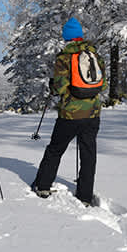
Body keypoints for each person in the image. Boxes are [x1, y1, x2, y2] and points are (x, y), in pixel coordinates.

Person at [31, 17, 106, 206]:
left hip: (70, 115)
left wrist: (53, 85)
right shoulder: (94, 54)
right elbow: (101, 84)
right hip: (93, 113)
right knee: (88, 154)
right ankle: (85, 196)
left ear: (67, 37)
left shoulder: (64, 57)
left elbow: (60, 88)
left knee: (55, 149)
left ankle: (43, 186)